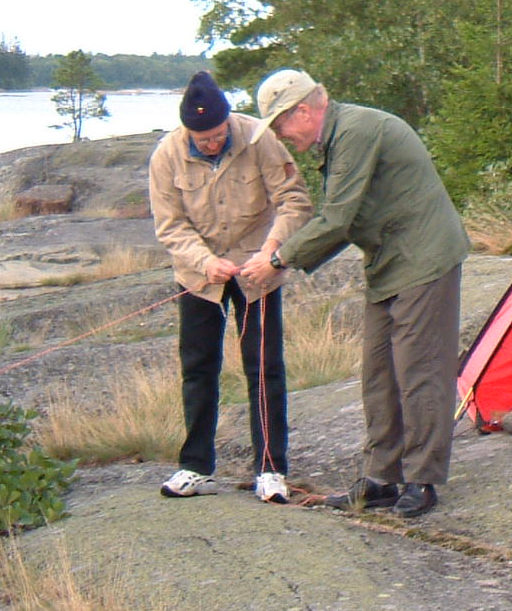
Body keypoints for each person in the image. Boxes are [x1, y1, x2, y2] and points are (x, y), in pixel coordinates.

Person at [242, 71, 468, 519]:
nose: (282, 135)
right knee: (379, 373)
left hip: (424, 258)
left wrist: (278, 260)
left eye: (281, 124)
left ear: (303, 111)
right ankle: (382, 477)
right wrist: (282, 256)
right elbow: (345, 220)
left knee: (419, 371)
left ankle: (422, 480)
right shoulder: (338, 137)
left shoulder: (357, 130)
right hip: (388, 263)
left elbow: (337, 218)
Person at [148, 71, 311, 504]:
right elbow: (170, 225)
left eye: (219, 134)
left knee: (264, 367)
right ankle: (196, 466)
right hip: (199, 276)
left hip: (258, 271)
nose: (212, 143)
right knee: (198, 367)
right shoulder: (166, 155)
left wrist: (271, 251)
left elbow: (294, 200)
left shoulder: (258, 138)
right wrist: (205, 261)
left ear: (228, 122)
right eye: (203, 139)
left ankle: (271, 469)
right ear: (188, 131)